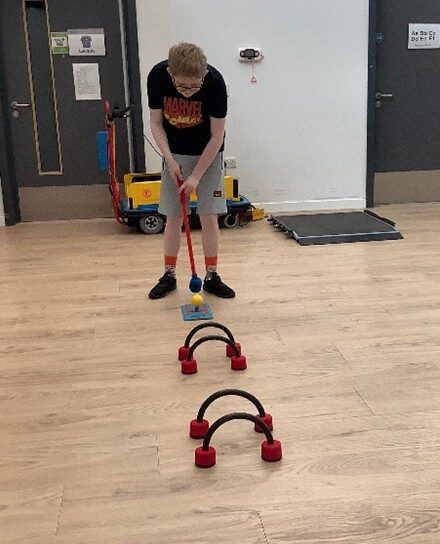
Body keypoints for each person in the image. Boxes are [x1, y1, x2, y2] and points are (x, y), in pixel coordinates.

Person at [147, 42, 235, 300]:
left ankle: (212, 275)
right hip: (174, 153)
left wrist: (196, 175)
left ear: (204, 74)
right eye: (182, 86)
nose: (188, 93)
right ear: (171, 73)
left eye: (195, 87)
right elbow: (155, 123)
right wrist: (169, 159)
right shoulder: (157, 76)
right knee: (174, 216)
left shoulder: (215, 83)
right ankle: (169, 274)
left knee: (209, 215)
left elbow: (217, 135)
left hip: (208, 154)